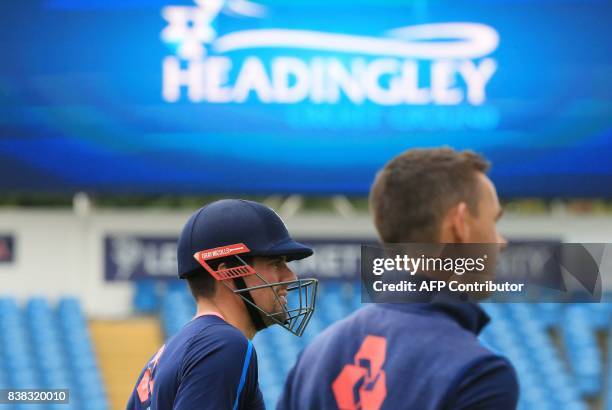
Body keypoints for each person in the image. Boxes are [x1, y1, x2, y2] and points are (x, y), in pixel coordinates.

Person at [278, 147, 519, 410]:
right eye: (493, 221)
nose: (501, 242)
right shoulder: (478, 374)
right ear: (460, 223)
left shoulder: (315, 357)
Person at [127, 199, 318, 410]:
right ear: (226, 271)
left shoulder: (164, 357)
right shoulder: (223, 344)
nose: (290, 276)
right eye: (275, 263)